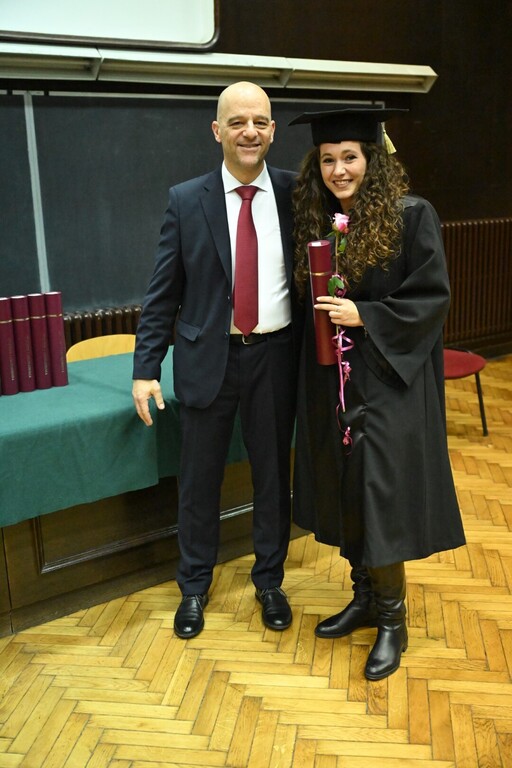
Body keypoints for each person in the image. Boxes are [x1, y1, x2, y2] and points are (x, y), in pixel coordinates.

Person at [288, 107, 466, 680]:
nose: (339, 169)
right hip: (334, 381)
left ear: (373, 159)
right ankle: (364, 598)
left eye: (350, 157)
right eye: (328, 160)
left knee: (379, 494)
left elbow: (431, 298)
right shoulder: (320, 222)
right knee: (344, 486)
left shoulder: (412, 215)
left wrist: (364, 314)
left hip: (389, 383)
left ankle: (394, 621)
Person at [132, 82, 301, 639]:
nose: (249, 132)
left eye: (260, 122)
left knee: (272, 478)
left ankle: (270, 582)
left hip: (275, 358)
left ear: (272, 130)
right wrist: (145, 368)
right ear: (217, 131)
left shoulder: (297, 194)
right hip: (209, 360)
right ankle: (193, 587)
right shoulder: (186, 200)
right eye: (237, 122)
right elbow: (162, 293)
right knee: (199, 483)